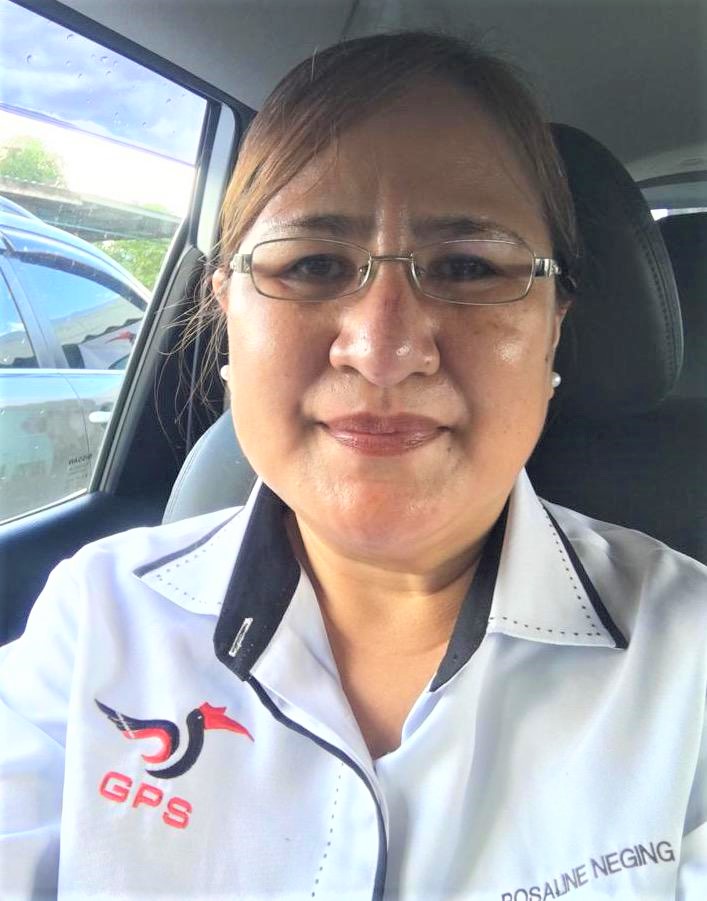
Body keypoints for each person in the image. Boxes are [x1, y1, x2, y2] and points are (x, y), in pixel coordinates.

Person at [0, 31, 705, 900]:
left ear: (553, 326)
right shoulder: (97, 619)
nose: (382, 348)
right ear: (227, 311)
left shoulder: (689, 659)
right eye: (312, 265)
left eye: (467, 266)